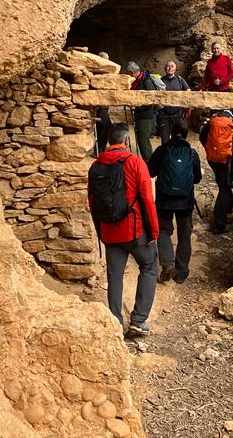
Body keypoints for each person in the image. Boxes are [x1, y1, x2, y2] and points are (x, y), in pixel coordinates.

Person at [88, 124, 159, 336]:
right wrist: (154, 232)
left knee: (115, 275)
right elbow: (147, 199)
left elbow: (92, 202)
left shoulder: (96, 165)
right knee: (149, 266)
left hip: (109, 231)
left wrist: (100, 231)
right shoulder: (135, 162)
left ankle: (115, 324)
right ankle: (138, 320)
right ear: (126, 141)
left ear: (109, 141)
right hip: (134, 230)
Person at [147, 120, 201, 283]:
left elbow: (150, 172)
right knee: (184, 234)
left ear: (171, 133)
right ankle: (181, 272)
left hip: (164, 199)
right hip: (185, 201)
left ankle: (167, 264)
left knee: (164, 230)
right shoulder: (192, 153)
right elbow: (197, 178)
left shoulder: (162, 150)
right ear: (186, 135)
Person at [199, 108, 233, 234]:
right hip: (227, 160)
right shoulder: (232, 120)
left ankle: (228, 207)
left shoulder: (212, 120)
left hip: (214, 159)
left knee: (223, 184)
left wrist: (212, 150)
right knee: (224, 189)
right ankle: (219, 225)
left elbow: (202, 137)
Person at [125, 62, 160, 161]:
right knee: (141, 140)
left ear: (132, 73)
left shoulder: (146, 81)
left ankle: (149, 163)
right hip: (141, 115)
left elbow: (150, 101)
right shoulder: (140, 79)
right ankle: (147, 162)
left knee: (143, 141)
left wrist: (136, 107)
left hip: (145, 115)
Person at [157, 60, 190, 144]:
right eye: (168, 66)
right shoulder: (160, 81)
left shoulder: (180, 80)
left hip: (178, 115)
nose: (170, 68)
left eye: (172, 66)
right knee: (165, 141)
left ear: (175, 69)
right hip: (164, 116)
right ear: (165, 69)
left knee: (178, 139)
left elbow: (188, 91)